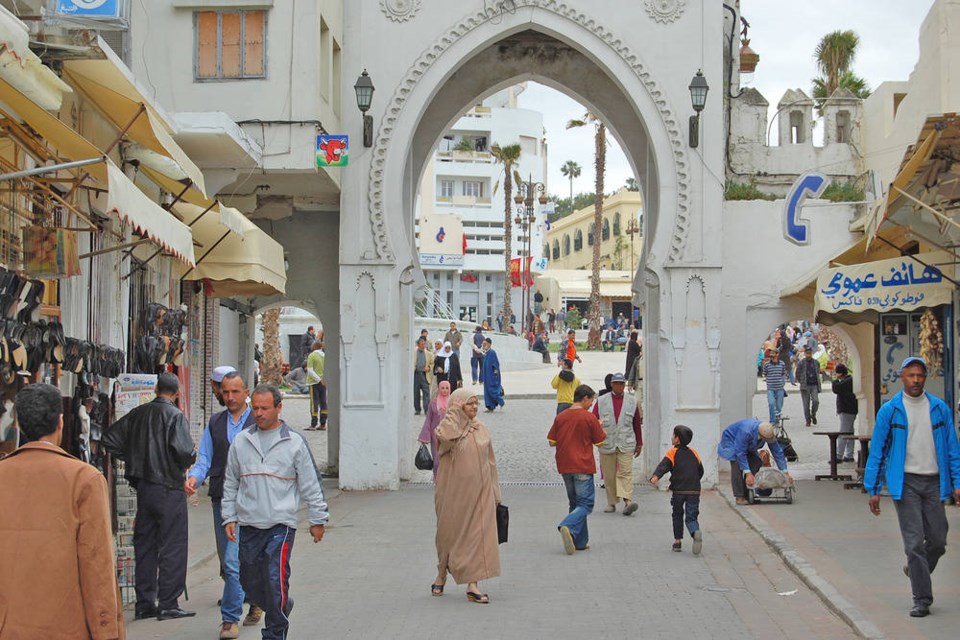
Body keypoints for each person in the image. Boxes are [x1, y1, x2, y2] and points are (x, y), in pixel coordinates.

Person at [0, 383, 125, 639]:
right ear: (61, 422)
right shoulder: (84, 479)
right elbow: (96, 567)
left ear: (19, 425)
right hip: (66, 627)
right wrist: (108, 632)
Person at [222, 384, 328, 639]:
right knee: (247, 580)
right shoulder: (241, 441)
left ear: (279, 408)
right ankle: (279, 606)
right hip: (248, 524)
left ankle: (274, 632)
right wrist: (229, 516)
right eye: (255, 408)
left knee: (275, 579)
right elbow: (231, 482)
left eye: (264, 408)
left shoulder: (294, 443)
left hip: (281, 525)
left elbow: (310, 483)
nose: (258, 413)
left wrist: (318, 519)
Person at [864, 356, 960, 618]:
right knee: (914, 543)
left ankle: (915, 569)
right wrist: (873, 488)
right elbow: (878, 450)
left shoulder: (939, 408)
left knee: (938, 540)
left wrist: (957, 482)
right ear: (902, 377)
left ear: (925, 377)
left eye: (920, 375)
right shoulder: (890, 410)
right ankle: (922, 599)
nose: (916, 380)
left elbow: (953, 448)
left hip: (934, 482)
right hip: (905, 483)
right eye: (911, 375)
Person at [102, 372, 197, 621]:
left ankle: (144, 603)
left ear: (156, 389)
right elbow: (185, 452)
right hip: (168, 487)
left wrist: (134, 459)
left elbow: (109, 439)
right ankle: (168, 602)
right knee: (172, 545)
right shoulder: (175, 416)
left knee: (145, 545)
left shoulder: (139, 413)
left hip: (145, 487)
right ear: (176, 393)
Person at [184, 372, 260, 638]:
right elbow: (204, 457)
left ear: (246, 392)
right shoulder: (215, 422)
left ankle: (229, 619)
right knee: (230, 557)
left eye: (235, 392)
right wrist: (194, 477)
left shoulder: (258, 420)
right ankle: (253, 597)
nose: (229, 397)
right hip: (222, 499)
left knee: (237, 557)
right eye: (225, 392)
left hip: (254, 500)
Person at [431, 388, 501, 603]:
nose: (474, 407)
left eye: (476, 403)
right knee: (448, 535)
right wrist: (454, 414)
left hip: (480, 495)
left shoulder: (481, 429)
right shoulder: (448, 429)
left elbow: (491, 463)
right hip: (453, 495)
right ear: (458, 405)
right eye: (469, 404)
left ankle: (473, 584)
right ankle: (442, 573)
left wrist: (496, 494)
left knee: (478, 537)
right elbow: (444, 437)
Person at [548, 384, 606, 554]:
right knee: (586, 504)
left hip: (565, 464)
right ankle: (567, 525)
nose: (591, 404)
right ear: (585, 398)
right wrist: (600, 426)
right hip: (582, 464)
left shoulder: (561, 416)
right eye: (591, 400)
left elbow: (552, 441)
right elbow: (600, 441)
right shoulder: (589, 418)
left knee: (574, 503)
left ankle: (579, 540)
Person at [650, 425, 704, 554]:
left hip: (679, 491)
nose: (671, 437)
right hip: (694, 491)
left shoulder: (672, 452)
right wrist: (694, 482)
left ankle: (677, 541)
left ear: (677, 439)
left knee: (677, 514)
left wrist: (655, 476)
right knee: (692, 516)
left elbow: (664, 466)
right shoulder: (694, 452)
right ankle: (695, 531)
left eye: (673, 435)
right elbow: (700, 471)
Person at [593, 373, 642, 515]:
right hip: (607, 443)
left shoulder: (632, 401)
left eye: (622, 383)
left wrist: (639, 443)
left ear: (624, 385)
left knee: (626, 472)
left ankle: (628, 501)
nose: (619, 386)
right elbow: (593, 421)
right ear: (612, 384)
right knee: (609, 475)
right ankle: (611, 502)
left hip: (626, 442)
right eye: (616, 383)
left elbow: (636, 424)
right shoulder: (601, 401)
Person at [718, 419, 792, 506]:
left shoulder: (767, 431)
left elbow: (777, 451)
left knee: (756, 461)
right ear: (760, 435)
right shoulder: (746, 432)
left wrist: (785, 472)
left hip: (747, 443)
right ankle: (739, 496)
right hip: (732, 441)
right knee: (737, 465)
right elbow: (740, 452)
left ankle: (749, 490)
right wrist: (748, 473)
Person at [419, 381, 451, 480]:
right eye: (443, 388)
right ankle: (437, 477)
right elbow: (428, 419)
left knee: (448, 458)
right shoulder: (433, 403)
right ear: (439, 389)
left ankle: (447, 478)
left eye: (447, 388)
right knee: (437, 459)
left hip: (449, 435)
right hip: (435, 435)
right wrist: (424, 436)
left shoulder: (452, 403)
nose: (445, 390)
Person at [831, 363, 858, 462]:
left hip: (846, 410)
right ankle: (849, 454)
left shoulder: (846, 382)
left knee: (843, 433)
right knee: (850, 433)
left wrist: (835, 380)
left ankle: (838, 456)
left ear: (840, 373)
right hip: (852, 410)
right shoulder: (850, 380)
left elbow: (836, 388)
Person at [795, 346, 821, 426]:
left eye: (810, 353)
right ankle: (808, 419)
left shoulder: (816, 362)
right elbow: (797, 373)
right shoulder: (801, 363)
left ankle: (813, 414)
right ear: (805, 353)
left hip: (814, 385)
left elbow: (817, 372)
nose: (808, 354)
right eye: (807, 353)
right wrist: (802, 381)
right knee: (806, 405)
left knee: (816, 401)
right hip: (805, 386)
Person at [761, 347, 787, 424]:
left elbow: (783, 373)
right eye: (770, 353)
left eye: (773, 353)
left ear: (777, 354)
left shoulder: (782, 364)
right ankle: (772, 421)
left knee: (779, 406)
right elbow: (765, 374)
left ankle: (777, 420)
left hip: (780, 388)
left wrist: (782, 382)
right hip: (770, 388)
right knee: (771, 403)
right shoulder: (766, 365)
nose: (771, 354)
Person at [306, 340, 327, 431]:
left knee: (314, 402)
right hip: (324, 382)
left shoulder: (312, 355)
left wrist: (318, 380)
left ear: (314, 346)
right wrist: (323, 379)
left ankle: (313, 424)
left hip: (313, 382)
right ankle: (323, 423)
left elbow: (310, 370)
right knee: (323, 402)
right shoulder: (325, 356)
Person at [413, 336, 435, 415]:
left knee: (426, 393)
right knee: (416, 393)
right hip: (416, 375)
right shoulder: (414, 352)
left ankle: (426, 409)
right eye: (421, 344)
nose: (423, 345)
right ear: (418, 345)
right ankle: (417, 409)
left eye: (424, 344)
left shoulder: (429, 354)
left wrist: (429, 368)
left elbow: (432, 363)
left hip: (425, 375)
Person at [481, 337, 504, 412]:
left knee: (492, 391)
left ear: (489, 344)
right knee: (487, 391)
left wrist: (495, 376)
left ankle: (501, 402)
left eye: (485, 344)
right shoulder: (486, 353)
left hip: (491, 377)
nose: (484, 345)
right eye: (483, 344)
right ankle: (490, 407)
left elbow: (496, 365)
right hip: (486, 377)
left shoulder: (492, 353)